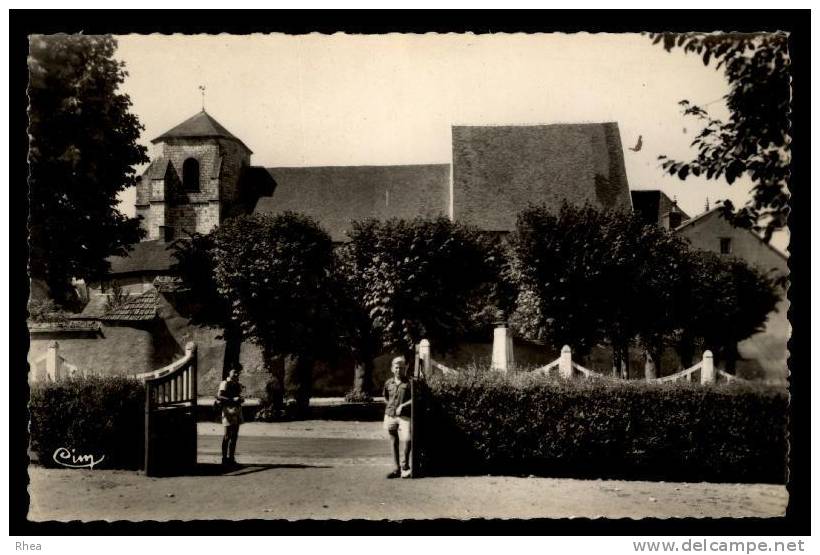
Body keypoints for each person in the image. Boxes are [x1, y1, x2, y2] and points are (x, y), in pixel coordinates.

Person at [383, 355, 412, 478]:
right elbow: (385, 396)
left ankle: (405, 466)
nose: (398, 370)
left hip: (405, 416)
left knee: (407, 439)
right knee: (393, 440)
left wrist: (403, 406)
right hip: (390, 415)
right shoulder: (388, 383)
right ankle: (396, 469)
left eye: (401, 367)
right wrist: (390, 406)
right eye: (396, 367)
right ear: (392, 369)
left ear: (405, 368)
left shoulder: (409, 383)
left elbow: (414, 398)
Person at [217, 369, 244, 467]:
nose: (236, 374)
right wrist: (232, 399)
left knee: (234, 436)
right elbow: (219, 396)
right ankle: (224, 459)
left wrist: (240, 399)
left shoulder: (237, 384)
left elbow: (238, 396)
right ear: (229, 373)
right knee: (227, 435)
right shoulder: (224, 383)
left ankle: (231, 458)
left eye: (237, 372)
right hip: (228, 410)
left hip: (236, 410)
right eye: (234, 372)